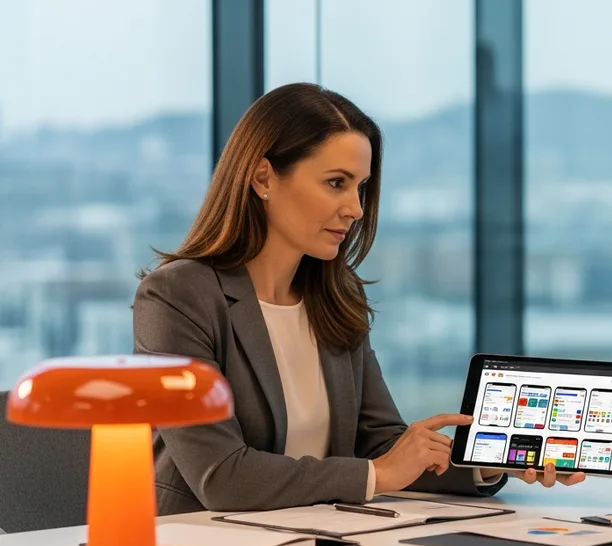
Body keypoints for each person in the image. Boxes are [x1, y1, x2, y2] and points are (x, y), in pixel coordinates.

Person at [134, 83, 583, 516]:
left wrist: (482, 464)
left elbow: (378, 444)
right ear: (262, 177)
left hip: (321, 541)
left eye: (360, 187)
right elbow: (222, 476)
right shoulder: (176, 298)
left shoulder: (334, 295)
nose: (356, 208)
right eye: (336, 183)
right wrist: (378, 473)